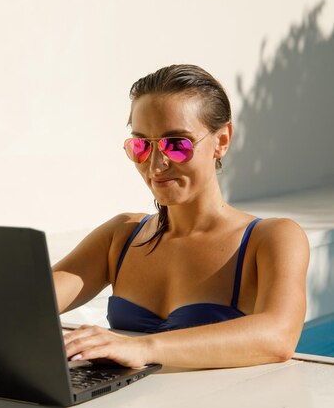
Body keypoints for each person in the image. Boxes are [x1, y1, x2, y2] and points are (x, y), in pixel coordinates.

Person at [53, 64, 309, 369]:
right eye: (141, 145)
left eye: (176, 145)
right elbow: (29, 301)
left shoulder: (271, 239)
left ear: (222, 140)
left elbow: (278, 336)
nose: (156, 165)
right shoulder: (120, 237)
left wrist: (142, 348)